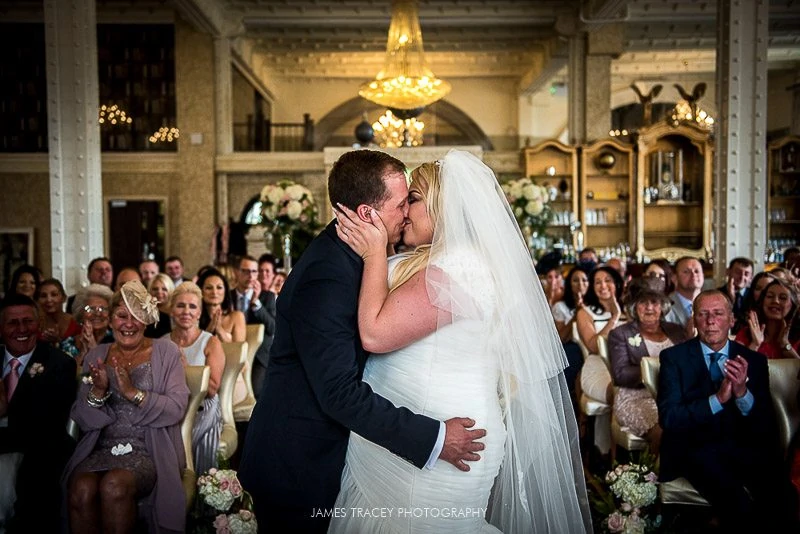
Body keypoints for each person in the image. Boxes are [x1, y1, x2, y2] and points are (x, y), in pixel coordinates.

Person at [330, 150, 590, 532]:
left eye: (413, 200)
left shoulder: (461, 267)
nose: (404, 212)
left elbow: (375, 333)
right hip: (404, 437)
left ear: (443, 207)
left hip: (440, 440)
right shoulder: (438, 260)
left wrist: (373, 254)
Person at [239, 150, 490, 533]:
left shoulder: (354, 257)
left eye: (412, 200)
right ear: (368, 214)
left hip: (325, 455)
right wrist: (435, 438)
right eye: (401, 203)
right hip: (297, 462)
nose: (406, 212)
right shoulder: (329, 273)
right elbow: (339, 391)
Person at [658, 289, 797, 531]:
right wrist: (717, 400)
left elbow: (764, 424)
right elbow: (669, 418)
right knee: (738, 505)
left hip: (741, 447)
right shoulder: (673, 358)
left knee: (783, 497)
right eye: (703, 314)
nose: (710, 321)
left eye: (718, 314)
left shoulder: (753, 360)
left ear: (731, 320)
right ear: (694, 319)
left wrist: (743, 393)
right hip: (693, 449)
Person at [63, 280, 189, 534]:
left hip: (147, 450)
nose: (129, 324)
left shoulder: (166, 352)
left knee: (114, 485)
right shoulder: (96, 354)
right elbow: (83, 418)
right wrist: (98, 391)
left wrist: (133, 392)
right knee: (80, 487)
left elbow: (177, 407)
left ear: (146, 320)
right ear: (110, 320)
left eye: (136, 316)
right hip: (101, 448)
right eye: (122, 316)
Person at [0, 294, 77, 532]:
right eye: (13, 323)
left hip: (40, 450)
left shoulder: (59, 364)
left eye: (28, 321)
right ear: (0, 328)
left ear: (39, 324)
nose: (22, 329)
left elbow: (46, 425)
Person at [608, 280, 687, 454]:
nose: (649, 307)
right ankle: (656, 476)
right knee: (665, 426)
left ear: (663, 306)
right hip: (636, 397)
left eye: (655, 302)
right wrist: (657, 372)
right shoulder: (620, 334)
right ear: (635, 307)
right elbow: (621, 374)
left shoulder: (677, 330)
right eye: (643, 302)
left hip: (676, 396)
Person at [166, 282, 223, 474]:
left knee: (188, 438)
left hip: (203, 407)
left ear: (199, 313)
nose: (186, 311)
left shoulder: (211, 342)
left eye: (192, 306)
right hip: (170, 407)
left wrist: (186, 368)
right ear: (171, 310)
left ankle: (200, 493)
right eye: (180, 305)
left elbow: (213, 388)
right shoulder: (161, 343)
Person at [230, 255, 275, 396]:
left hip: (259, 355)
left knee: (256, 391)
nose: (251, 276)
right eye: (246, 271)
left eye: (254, 272)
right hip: (233, 351)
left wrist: (256, 303)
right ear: (236, 272)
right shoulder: (228, 296)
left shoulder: (267, 297)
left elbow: (273, 327)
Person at [734, 278, 799, 359]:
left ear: (793, 305)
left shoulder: (798, 337)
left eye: (783, 298)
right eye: (770, 296)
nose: (775, 301)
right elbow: (735, 367)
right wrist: (755, 344)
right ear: (762, 301)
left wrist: (785, 345)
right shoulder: (746, 333)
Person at [575, 265, 624, 354]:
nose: (603, 286)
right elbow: (594, 347)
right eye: (598, 282)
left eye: (608, 280)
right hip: (599, 363)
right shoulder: (584, 313)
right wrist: (615, 317)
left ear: (617, 284)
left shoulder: (628, 310)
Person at [61, 284, 115, 366]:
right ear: (81, 313)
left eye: (103, 309)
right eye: (90, 309)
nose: (97, 313)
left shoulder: (117, 341)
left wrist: (93, 349)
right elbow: (66, 376)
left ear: (110, 314)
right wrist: (83, 353)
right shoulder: (68, 343)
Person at [197, 267, 246, 343]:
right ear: (201, 291)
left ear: (225, 292)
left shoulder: (237, 317)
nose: (214, 292)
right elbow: (193, 350)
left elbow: (240, 350)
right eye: (209, 288)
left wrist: (219, 329)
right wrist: (210, 329)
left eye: (219, 287)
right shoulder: (194, 318)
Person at [665, 256, 704, 331]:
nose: (693, 275)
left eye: (697, 271)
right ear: (674, 278)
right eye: (686, 272)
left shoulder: (713, 303)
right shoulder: (666, 306)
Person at [37, 278, 80, 344]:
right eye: (43, 296)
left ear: (64, 298)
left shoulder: (76, 322)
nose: (49, 299)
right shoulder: (35, 325)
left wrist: (58, 341)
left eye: (54, 295)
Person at [145, 273, 174, 338]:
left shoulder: (176, 314)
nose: (159, 292)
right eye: (155, 289)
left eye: (164, 289)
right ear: (149, 292)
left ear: (170, 291)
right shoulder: (145, 315)